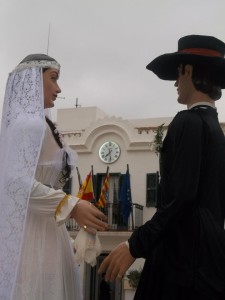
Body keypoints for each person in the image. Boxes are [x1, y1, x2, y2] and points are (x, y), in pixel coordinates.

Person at [99, 34, 225, 300]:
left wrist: (135, 244)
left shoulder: (187, 122)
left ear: (189, 71)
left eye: (178, 75)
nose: (176, 83)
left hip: (182, 266)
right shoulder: (216, 131)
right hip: (210, 263)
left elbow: (180, 199)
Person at [0, 54, 108, 300]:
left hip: (50, 229)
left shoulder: (44, 124)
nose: (59, 89)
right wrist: (71, 205)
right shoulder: (28, 125)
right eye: (53, 78)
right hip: (33, 235)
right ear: (33, 80)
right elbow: (15, 182)